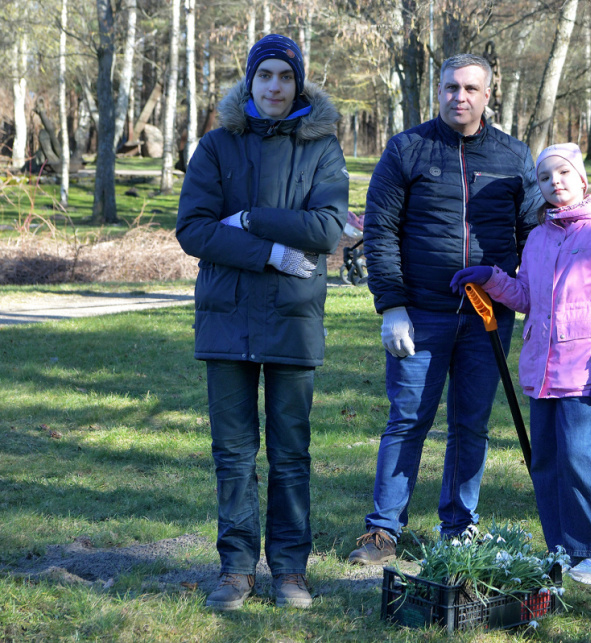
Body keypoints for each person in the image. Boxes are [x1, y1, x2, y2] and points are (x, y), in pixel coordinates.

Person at [176, 34, 349, 609]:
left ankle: (291, 571)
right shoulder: (216, 145)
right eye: (265, 75)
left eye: (285, 76)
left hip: (293, 319)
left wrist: (249, 219)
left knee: (291, 453)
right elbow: (194, 230)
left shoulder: (322, 146)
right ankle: (236, 570)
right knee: (232, 454)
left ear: (299, 82)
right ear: (250, 80)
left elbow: (327, 228)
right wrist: (272, 252)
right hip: (226, 319)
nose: (275, 86)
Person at [349, 53, 542, 565]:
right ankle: (382, 531)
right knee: (408, 420)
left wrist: (530, 297)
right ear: (439, 91)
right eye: (451, 87)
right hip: (420, 314)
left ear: (488, 94)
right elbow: (380, 231)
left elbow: (533, 234)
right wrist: (391, 306)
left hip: (488, 317)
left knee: (471, 424)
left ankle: (458, 527)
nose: (460, 96)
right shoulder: (406, 149)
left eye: (471, 88)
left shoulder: (513, 156)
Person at [451, 143, 591, 584]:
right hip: (543, 371)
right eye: (545, 177)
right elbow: (526, 297)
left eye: (563, 173)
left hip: (585, 371)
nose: (555, 182)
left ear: (582, 179)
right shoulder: (538, 238)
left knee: (581, 458)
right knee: (547, 462)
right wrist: (491, 278)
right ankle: (565, 549)